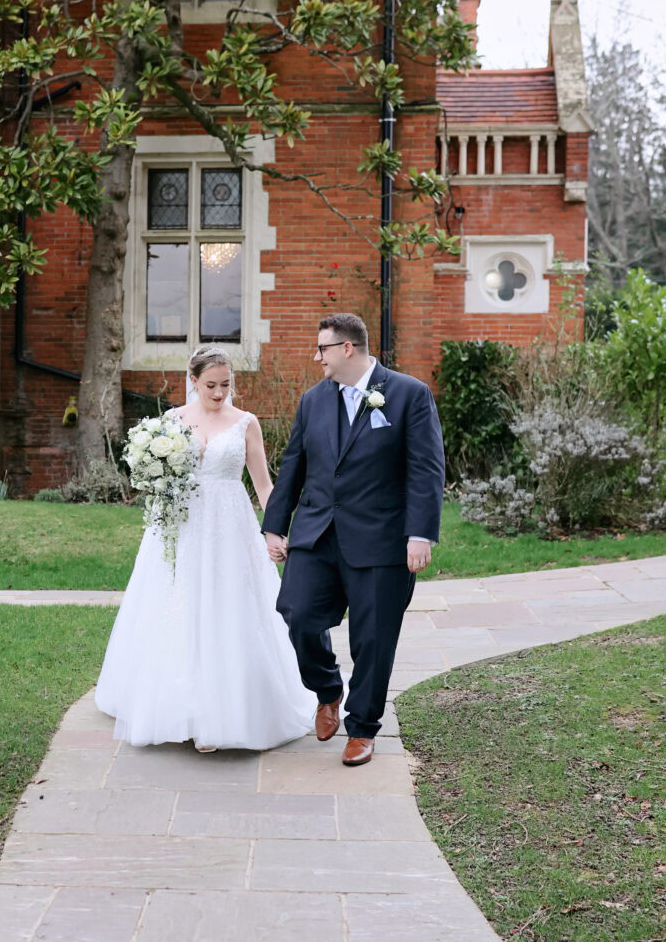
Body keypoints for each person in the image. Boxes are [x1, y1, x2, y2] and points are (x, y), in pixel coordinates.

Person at [95, 345, 313, 751]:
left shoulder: (246, 423)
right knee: (179, 608)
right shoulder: (170, 422)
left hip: (229, 527)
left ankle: (225, 711)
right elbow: (153, 477)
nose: (218, 393)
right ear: (193, 381)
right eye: (210, 385)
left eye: (226, 385)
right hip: (182, 527)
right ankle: (179, 707)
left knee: (228, 609)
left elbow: (264, 485)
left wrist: (276, 530)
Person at [262, 313, 446, 766]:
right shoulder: (312, 401)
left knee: (374, 639)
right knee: (297, 612)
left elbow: (426, 470)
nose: (315, 356)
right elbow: (294, 466)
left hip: (382, 539)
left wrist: (420, 534)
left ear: (348, 348)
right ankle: (327, 690)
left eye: (321, 349)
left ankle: (362, 728)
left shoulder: (408, 395)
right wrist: (274, 525)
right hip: (317, 533)